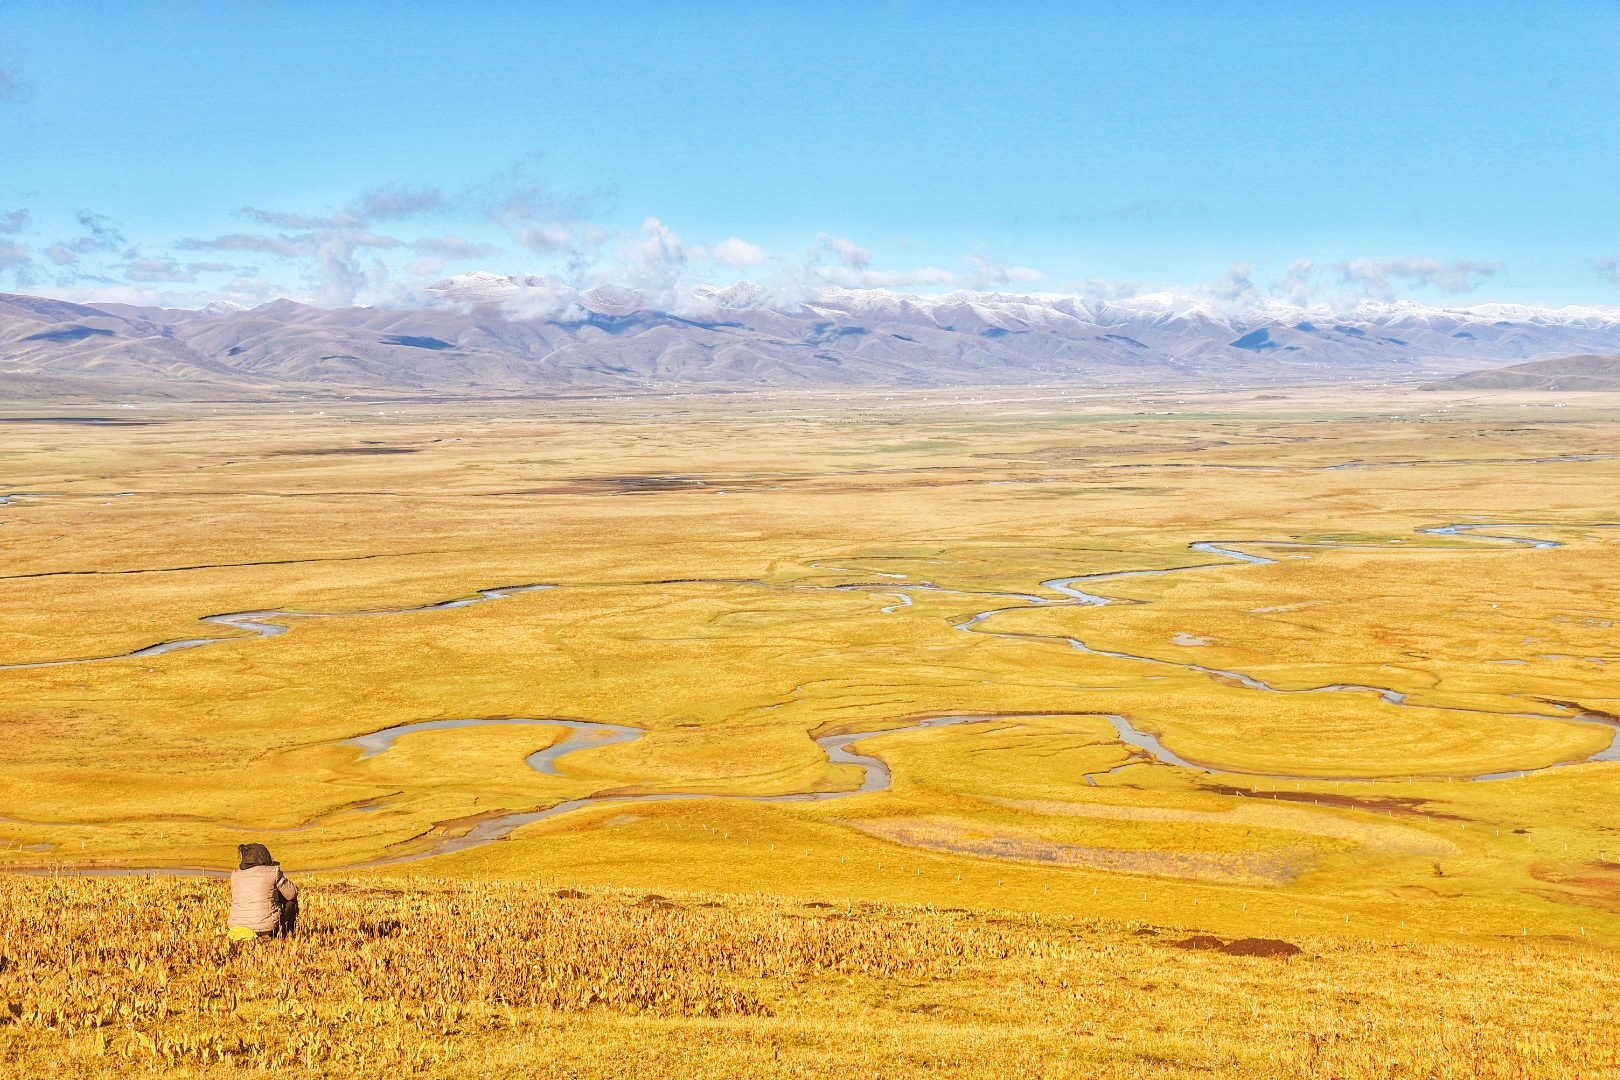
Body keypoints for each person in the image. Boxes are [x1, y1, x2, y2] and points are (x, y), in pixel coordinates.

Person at [227, 843, 299, 939]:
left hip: (236, 925)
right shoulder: (273, 871)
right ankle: (285, 936)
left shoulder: (235, 874)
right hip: (265, 927)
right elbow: (292, 893)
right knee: (291, 902)